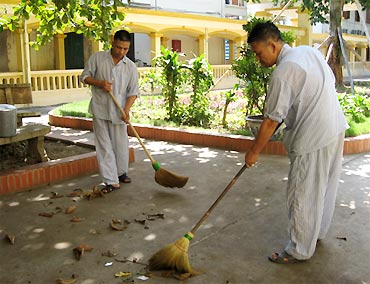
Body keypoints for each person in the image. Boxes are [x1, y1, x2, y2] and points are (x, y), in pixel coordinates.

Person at [244, 22, 348, 263]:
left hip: (313, 137)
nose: (258, 59)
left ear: (272, 45)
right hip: (334, 128)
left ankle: (299, 249)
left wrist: (253, 152)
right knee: (323, 188)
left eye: (259, 53)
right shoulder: (308, 52)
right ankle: (316, 234)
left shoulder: (284, 71)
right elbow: (327, 82)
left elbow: (271, 121)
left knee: (302, 192)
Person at [81, 30, 139, 193]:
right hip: (100, 109)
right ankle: (110, 180)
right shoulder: (98, 58)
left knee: (121, 144)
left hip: (119, 112)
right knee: (104, 145)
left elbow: (133, 92)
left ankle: (121, 173)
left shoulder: (130, 67)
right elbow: (84, 77)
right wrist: (99, 83)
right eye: (119, 47)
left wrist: (126, 110)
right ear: (112, 42)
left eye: (125, 49)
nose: (121, 52)